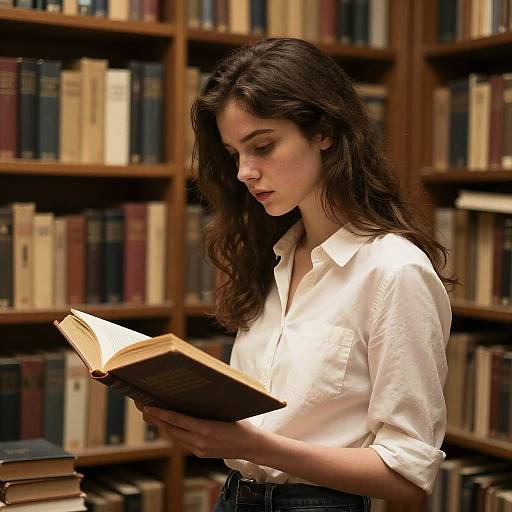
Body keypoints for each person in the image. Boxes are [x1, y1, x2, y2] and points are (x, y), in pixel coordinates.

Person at [140, 38, 453, 511]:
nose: (245, 172)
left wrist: (250, 445)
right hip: (235, 499)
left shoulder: (394, 271)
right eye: (233, 154)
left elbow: (408, 476)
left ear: (323, 130)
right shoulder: (274, 256)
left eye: (262, 146)